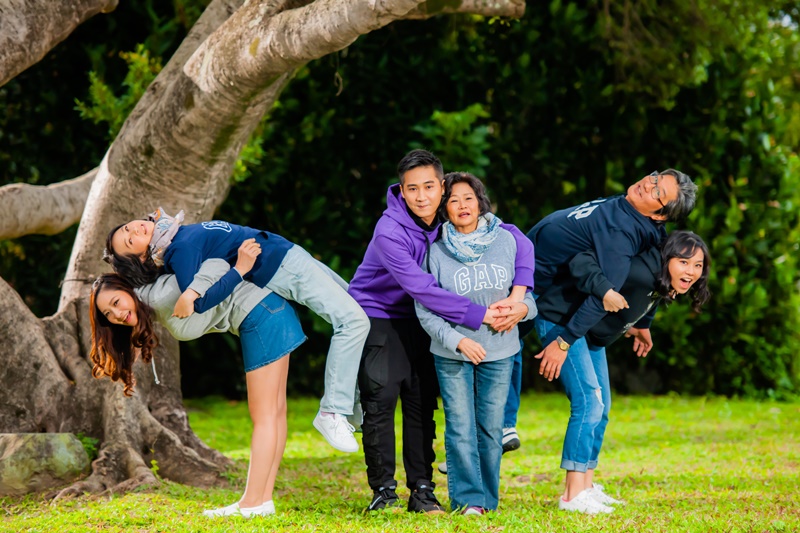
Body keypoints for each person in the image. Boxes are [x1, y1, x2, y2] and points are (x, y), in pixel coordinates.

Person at [348, 149, 534, 514]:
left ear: (442, 186)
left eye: (429, 187)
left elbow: (510, 234)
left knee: (421, 400)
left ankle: (422, 490)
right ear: (402, 192)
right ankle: (384, 491)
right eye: (412, 189)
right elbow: (423, 289)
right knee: (382, 398)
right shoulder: (389, 231)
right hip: (380, 312)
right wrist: (481, 315)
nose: (421, 196)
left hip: (428, 317)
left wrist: (519, 295)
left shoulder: (444, 219)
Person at [104, 210, 368, 453]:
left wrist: (193, 292)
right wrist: (196, 292)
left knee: (358, 316)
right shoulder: (180, 248)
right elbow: (201, 301)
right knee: (354, 321)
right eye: (128, 241)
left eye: (128, 228)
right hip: (282, 265)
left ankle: (354, 413)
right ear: (140, 257)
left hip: (286, 252)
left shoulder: (175, 235)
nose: (133, 231)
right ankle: (333, 411)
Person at [90, 241, 305, 517]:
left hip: (261, 317)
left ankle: (253, 503)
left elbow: (214, 265)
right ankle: (262, 500)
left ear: (127, 291)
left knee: (264, 416)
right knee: (274, 414)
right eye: (109, 314)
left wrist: (234, 270)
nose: (117, 315)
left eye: (116, 303)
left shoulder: (158, 294)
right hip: (269, 312)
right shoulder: (151, 304)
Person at [502, 169, 698, 455]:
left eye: (658, 191)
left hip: (534, 287)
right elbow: (654, 273)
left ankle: (497, 431)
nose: (648, 184)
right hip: (520, 273)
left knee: (504, 355)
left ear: (660, 215)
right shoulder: (634, 211)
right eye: (655, 178)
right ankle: (490, 434)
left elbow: (607, 295)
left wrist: (564, 342)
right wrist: (644, 322)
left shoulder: (622, 234)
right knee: (501, 355)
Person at [535, 230, 710, 513]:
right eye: (684, 262)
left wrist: (641, 324)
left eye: (698, 265)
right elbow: (581, 262)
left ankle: (586, 487)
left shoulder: (660, 278)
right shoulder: (638, 269)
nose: (691, 271)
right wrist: (565, 340)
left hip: (585, 332)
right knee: (588, 403)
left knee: (602, 407)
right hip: (562, 323)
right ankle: (571, 495)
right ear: (667, 258)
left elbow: (648, 298)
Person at [414, 172, 536, 515]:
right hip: (452, 353)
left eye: (468, 197)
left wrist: (521, 309)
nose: (462, 205)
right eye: (453, 200)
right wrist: (458, 341)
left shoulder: (507, 241)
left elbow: (530, 301)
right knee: (461, 427)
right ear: (444, 209)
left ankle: (488, 502)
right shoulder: (435, 252)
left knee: (491, 429)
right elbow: (425, 310)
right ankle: (469, 502)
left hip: (501, 352)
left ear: (480, 201)